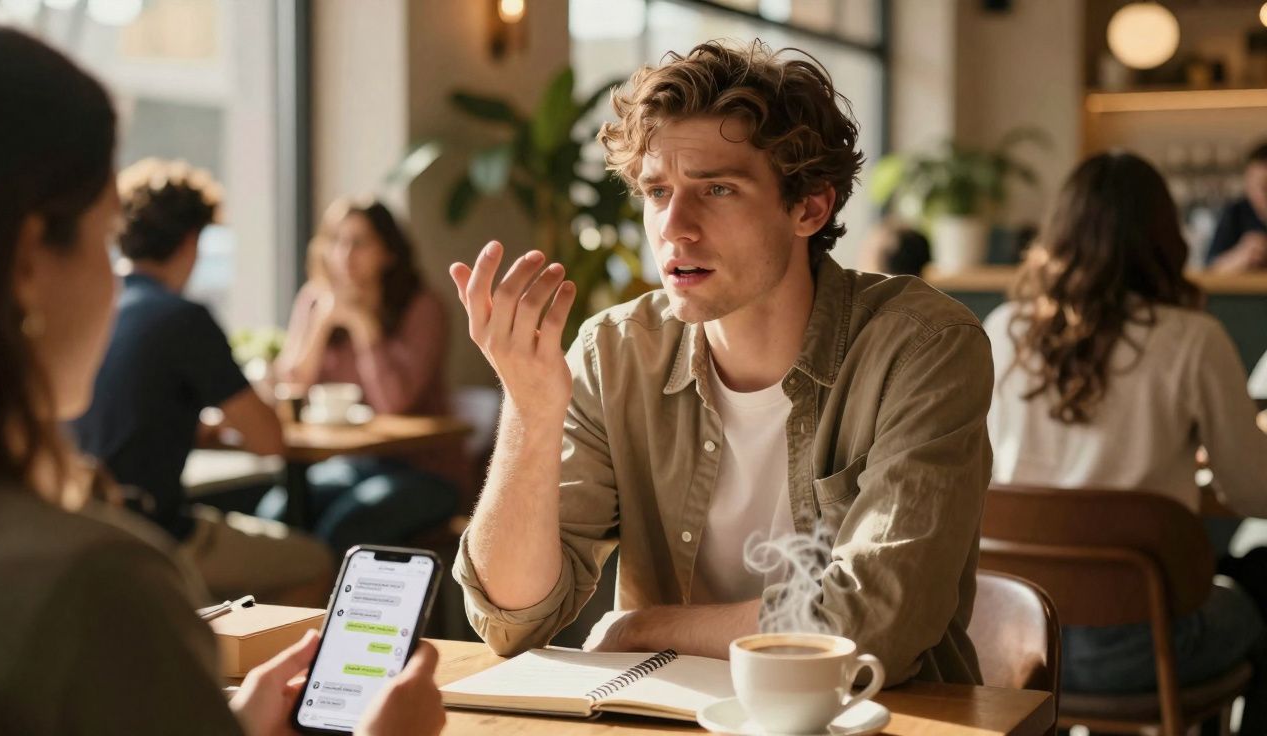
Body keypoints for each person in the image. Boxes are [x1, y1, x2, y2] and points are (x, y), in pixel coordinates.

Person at [448, 40, 994, 687]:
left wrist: (642, 629)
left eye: (717, 189)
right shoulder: (614, 352)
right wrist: (530, 414)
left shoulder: (922, 347)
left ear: (809, 207)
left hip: (881, 722)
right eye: (657, 191)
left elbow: (872, 626)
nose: (675, 227)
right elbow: (512, 618)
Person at [0, 16, 443, 736]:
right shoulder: (98, 586)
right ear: (29, 260)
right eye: (102, 235)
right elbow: (277, 416)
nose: (118, 284)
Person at [985, 151, 1267, 729]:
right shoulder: (1192, 339)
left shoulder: (1003, 330)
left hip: (1018, 643)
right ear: (1165, 237)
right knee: (1256, 586)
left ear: (1058, 231)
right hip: (1147, 649)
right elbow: (1255, 494)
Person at [70, 157, 334, 606]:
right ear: (191, 241)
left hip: (84, 524)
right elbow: (269, 440)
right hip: (153, 532)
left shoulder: (92, 308)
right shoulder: (183, 319)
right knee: (315, 561)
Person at [266, 198, 462, 551]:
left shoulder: (423, 308)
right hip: (354, 464)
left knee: (345, 530)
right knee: (274, 516)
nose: (344, 254)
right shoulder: (315, 301)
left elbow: (393, 404)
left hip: (425, 470)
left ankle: (325, 606)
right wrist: (321, 326)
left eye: (359, 242)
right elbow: (288, 391)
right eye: (335, 240)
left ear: (388, 253)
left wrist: (364, 327)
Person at [1206, 140, 1267, 272]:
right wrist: (1240, 256)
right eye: (1258, 185)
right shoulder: (1235, 212)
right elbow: (1209, 270)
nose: (1263, 194)